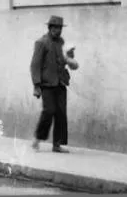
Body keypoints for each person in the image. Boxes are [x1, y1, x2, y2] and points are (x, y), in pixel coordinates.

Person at [30, 15, 79, 153]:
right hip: (46, 84)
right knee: (49, 110)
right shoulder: (41, 42)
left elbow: (64, 60)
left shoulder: (61, 42)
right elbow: (35, 65)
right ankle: (37, 138)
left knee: (61, 114)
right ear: (49, 27)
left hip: (60, 82)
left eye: (59, 28)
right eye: (54, 27)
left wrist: (69, 58)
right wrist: (36, 85)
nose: (57, 30)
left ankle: (57, 145)